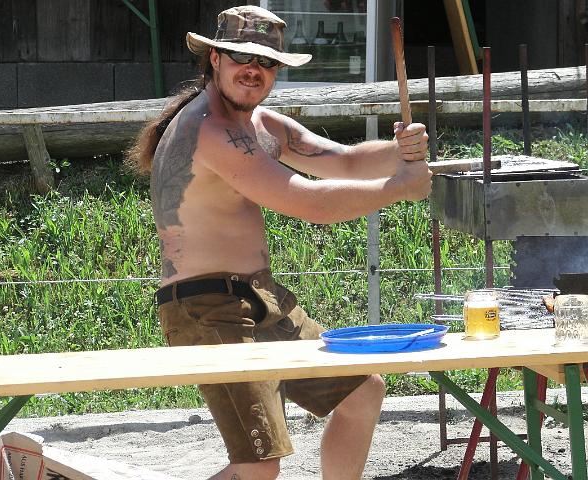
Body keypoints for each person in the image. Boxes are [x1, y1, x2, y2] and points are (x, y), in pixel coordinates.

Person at [127, 6, 431, 479]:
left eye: (266, 62)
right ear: (215, 59)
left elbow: (346, 161)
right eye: (241, 57)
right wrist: (398, 188)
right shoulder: (210, 130)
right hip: (206, 307)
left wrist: (400, 151)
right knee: (259, 466)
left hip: (256, 294)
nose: (253, 69)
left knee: (361, 391)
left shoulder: (263, 125)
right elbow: (307, 201)